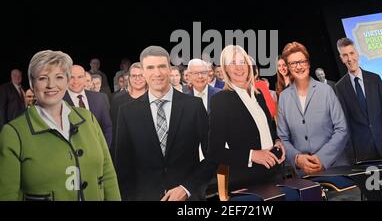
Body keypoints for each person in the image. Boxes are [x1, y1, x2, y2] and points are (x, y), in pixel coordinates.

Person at [0, 50, 120, 200]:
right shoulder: (13, 133)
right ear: (32, 83)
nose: (51, 85)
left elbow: (108, 175)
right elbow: (7, 195)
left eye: (59, 77)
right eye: (43, 78)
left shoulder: (88, 119)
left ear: (67, 81)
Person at [115, 46, 214, 201]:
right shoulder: (127, 112)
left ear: (169, 68)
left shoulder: (194, 106)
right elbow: (123, 168)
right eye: (150, 67)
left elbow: (213, 156)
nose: (157, 73)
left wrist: (187, 188)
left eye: (162, 66)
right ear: (143, 72)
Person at [208, 45, 285, 192]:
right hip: (247, 180)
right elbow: (214, 151)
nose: (239, 68)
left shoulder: (259, 94)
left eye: (242, 62)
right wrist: (252, 155)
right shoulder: (220, 100)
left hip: (274, 173)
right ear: (225, 69)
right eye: (233, 63)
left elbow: (269, 129)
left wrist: (277, 141)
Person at [277, 42, 349, 176]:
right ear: (288, 67)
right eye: (293, 63)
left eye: (302, 61)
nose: (298, 67)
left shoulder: (326, 90)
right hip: (304, 176)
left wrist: (322, 158)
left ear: (308, 64)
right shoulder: (283, 98)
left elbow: (342, 129)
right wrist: (298, 159)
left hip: (336, 171)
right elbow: (283, 138)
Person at [335, 38, 382, 162]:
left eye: (351, 53)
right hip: (363, 153)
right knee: (373, 183)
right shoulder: (340, 87)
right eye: (345, 55)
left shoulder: (375, 79)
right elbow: (345, 124)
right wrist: (352, 157)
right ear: (341, 59)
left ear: (357, 54)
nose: (350, 59)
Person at [63, 65, 113, 148]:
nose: (76, 81)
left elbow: (108, 127)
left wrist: (103, 150)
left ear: (85, 79)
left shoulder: (100, 98)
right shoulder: (59, 101)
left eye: (80, 77)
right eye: (72, 77)